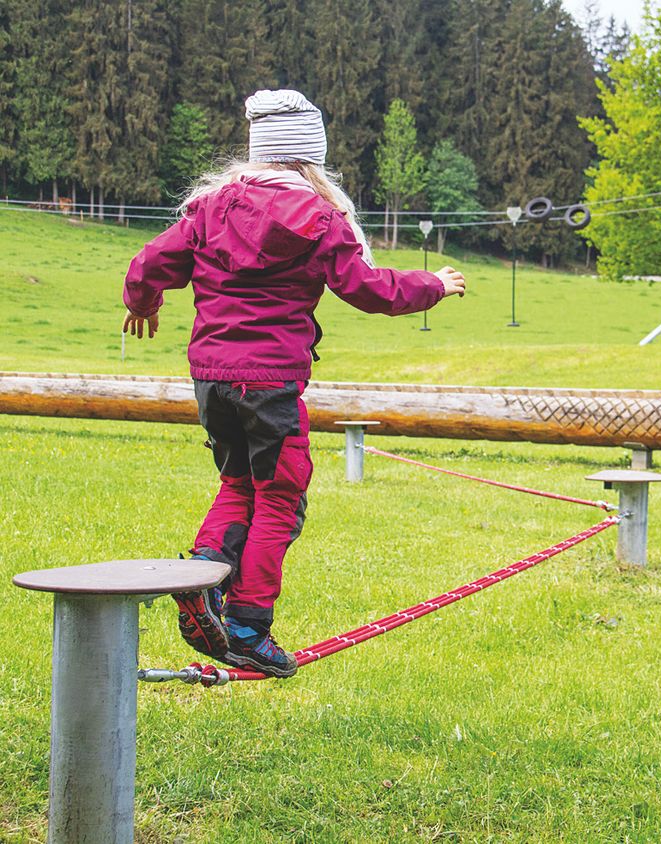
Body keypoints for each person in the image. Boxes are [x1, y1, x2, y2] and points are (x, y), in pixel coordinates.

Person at [122, 89, 466, 678]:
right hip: (272, 384)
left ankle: (200, 579)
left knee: (238, 484)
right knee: (280, 498)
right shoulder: (318, 216)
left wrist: (144, 302)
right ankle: (248, 627)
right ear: (310, 157)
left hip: (211, 378)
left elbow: (147, 265)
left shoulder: (210, 207)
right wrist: (433, 284)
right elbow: (372, 290)